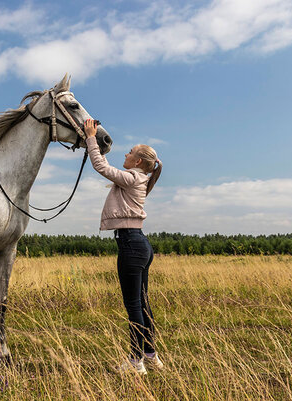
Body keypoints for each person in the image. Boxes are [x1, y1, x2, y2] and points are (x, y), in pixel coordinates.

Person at [84, 119, 163, 374]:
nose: (126, 155)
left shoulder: (132, 177)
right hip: (140, 244)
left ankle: (135, 361)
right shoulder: (138, 179)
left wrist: (90, 137)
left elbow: (100, 166)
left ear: (138, 161)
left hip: (131, 244)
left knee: (133, 306)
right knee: (142, 303)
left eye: (130, 152)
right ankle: (150, 356)